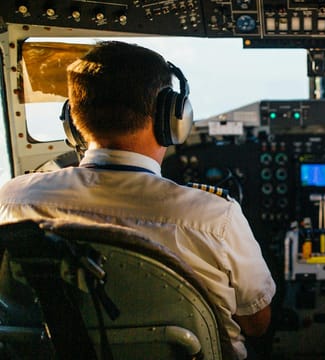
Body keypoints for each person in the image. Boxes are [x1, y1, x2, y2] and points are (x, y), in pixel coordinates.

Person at [0, 41, 275, 360]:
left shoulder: (11, 201)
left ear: (73, 121)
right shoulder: (214, 218)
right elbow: (257, 323)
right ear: (173, 118)